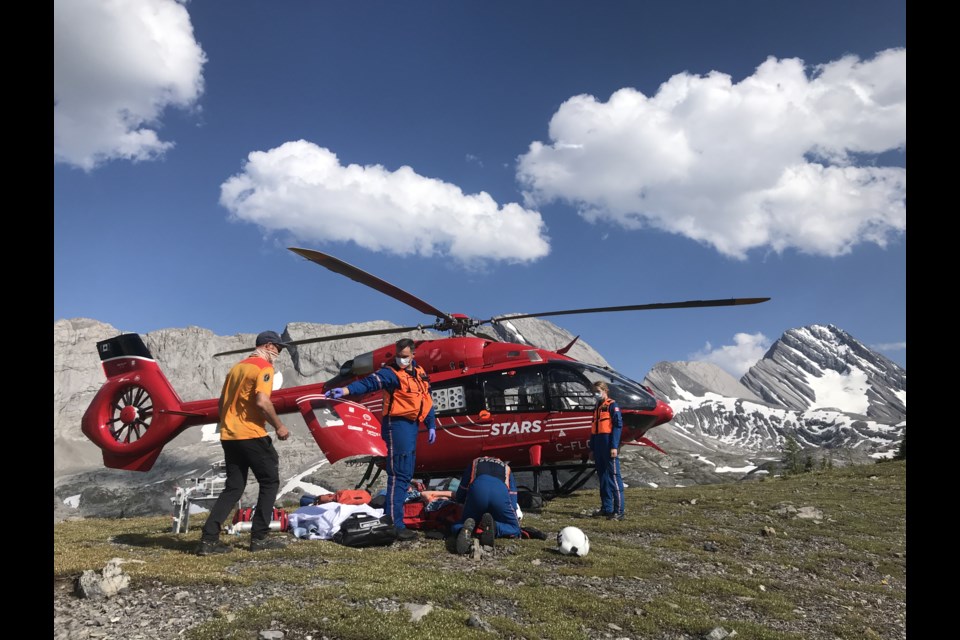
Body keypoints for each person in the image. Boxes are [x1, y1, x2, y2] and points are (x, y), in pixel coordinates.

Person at [324, 338, 436, 541]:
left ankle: (396, 519)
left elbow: (426, 399)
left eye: (405, 356)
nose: (401, 360)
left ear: (413, 355)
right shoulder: (390, 373)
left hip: (412, 426)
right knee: (399, 473)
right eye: (398, 356)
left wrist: (431, 425)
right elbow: (369, 384)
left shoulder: (420, 373)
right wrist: (346, 391)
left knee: (407, 472)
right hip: (397, 425)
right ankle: (395, 523)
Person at [197, 331, 292, 555]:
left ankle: (208, 540)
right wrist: (279, 426)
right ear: (268, 346)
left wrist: (228, 423)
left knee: (234, 487)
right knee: (269, 481)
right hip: (251, 434)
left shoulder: (237, 368)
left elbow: (222, 403)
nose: (278, 353)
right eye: (278, 348)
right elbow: (262, 401)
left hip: (229, 436)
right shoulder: (263, 367)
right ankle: (259, 538)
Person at [451, 456, 522, 554]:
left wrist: (461, 501)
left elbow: (462, 488)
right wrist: (510, 512)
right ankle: (495, 527)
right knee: (515, 528)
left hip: (478, 490)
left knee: (463, 521)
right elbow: (513, 495)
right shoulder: (506, 467)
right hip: (500, 492)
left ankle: (462, 529)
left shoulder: (475, 462)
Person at [589, 381, 625, 521]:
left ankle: (619, 511)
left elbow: (617, 426)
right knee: (603, 479)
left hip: (609, 446)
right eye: (594, 391)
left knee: (614, 478)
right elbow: (593, 430)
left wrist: (614, 446)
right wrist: (592, 448)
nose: (595, 394)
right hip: (598, 446)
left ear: (605, 390)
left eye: (597, 391)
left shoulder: (612, 406)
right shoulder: (597, 407)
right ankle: (607, 508)